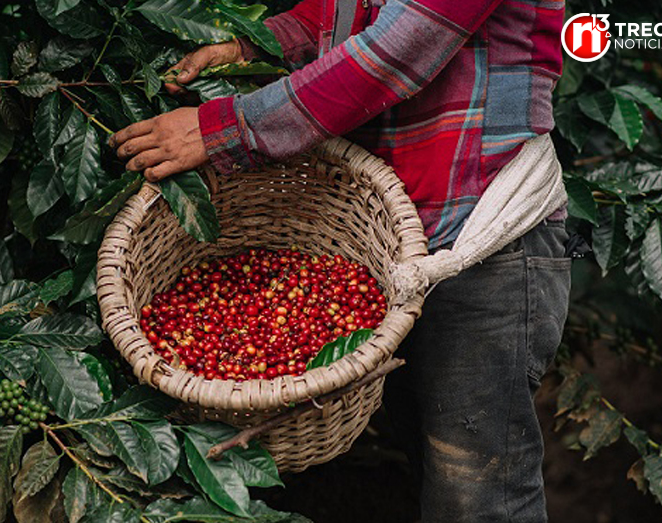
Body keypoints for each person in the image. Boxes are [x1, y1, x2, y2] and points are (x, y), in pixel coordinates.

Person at [110, 0, 572, 521]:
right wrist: (249, 47)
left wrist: (221, 129)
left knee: (480, 502)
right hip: (393, 251)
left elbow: (396, 52)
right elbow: (343, 15)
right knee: (434, 474)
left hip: (484, 239)